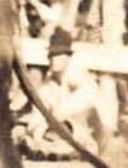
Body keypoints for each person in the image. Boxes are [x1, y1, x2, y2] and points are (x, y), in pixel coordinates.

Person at [21, 26, 119, 158]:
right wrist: (39, 128)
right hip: (57, 135)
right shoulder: (47, 87)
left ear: (68, 57)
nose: (55, 59)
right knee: (30, 136)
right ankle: (52, 151)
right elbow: (37, 116)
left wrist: (55, 118)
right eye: (52, 55)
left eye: (60, 55)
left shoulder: (80, 78)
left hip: (87, 134)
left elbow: (87, 97)